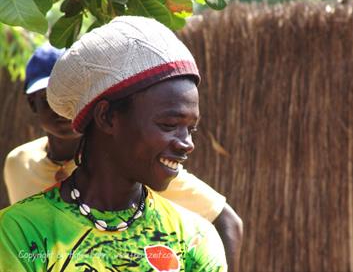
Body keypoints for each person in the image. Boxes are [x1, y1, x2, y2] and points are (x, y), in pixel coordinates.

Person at [0, 16, 231, 271]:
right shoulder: (20, 234)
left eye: (191, 129)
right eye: (168, 125)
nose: (187, 144)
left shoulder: (194, 241)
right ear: (107, 117)